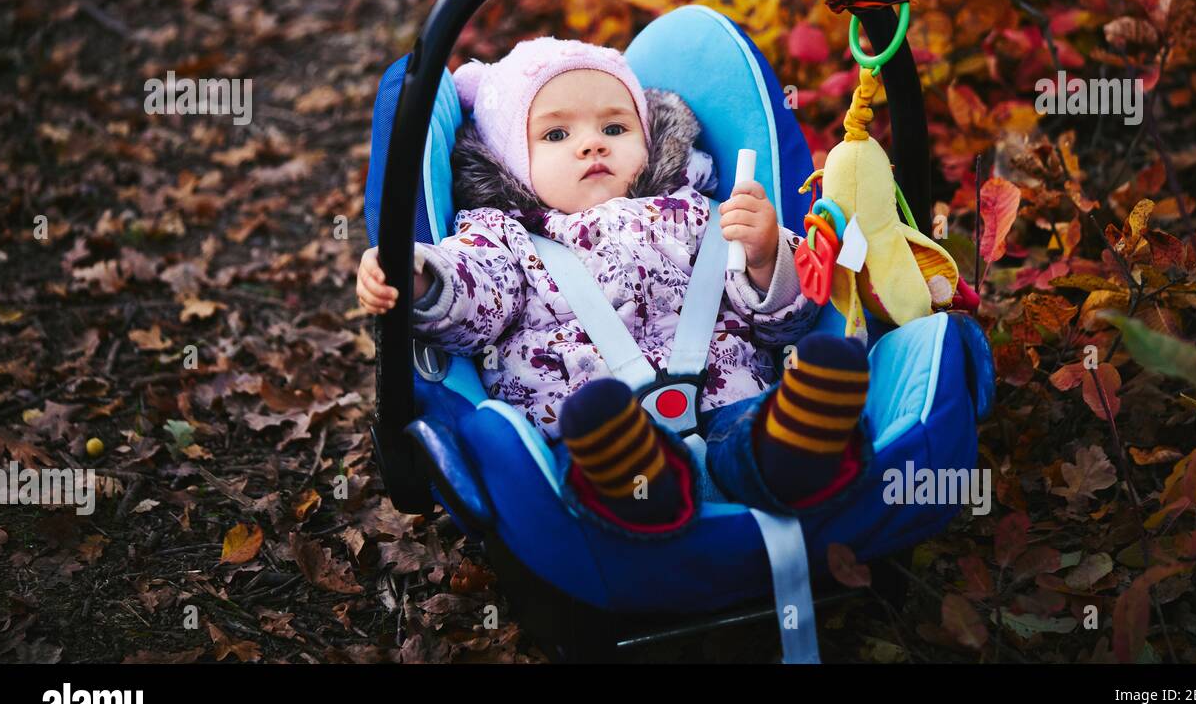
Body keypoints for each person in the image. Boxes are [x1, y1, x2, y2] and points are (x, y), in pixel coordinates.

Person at [357, 36, 872, 538]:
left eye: (615, 126)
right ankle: (641, 482)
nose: (592, 143)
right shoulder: (503, 237)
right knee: (590, 461)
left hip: (729, 403)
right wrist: (417, 273)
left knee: (755, 431)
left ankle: (794, 450)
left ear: (649, 141)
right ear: (510, 159)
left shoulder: (696, 213)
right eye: (556, 135)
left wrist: (764, 256)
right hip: (590, 430)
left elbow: (784, 321)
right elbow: (475, 302)